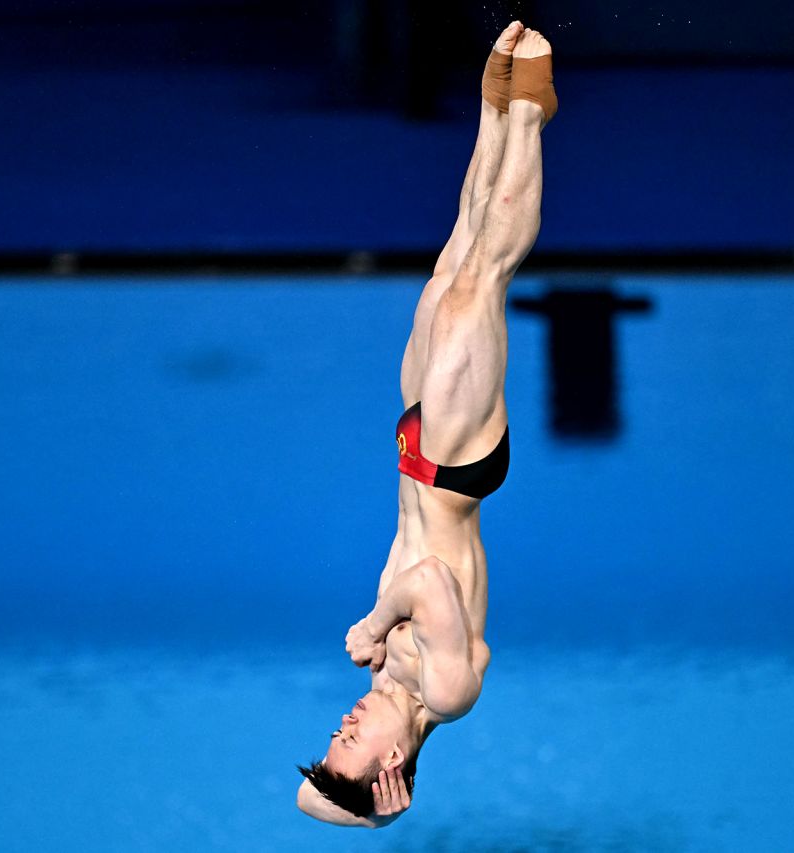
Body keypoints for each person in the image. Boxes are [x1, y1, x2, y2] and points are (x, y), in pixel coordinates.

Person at [296, 21, 557, 828]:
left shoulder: (388, 680)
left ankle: (492, 108)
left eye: (328, 741)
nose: (337, 729)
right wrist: (375, 624)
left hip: (416, 451)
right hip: (456, 467)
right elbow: (430, 582)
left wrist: (377, 659)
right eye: (345, 749)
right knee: (484, 279)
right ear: (389, 766)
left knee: (451, 266)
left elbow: (328, 783)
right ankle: (531, 115)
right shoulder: (448, 688)